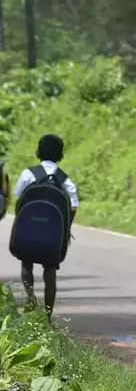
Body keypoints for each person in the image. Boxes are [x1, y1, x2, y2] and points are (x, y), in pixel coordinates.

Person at [14, 134, 79, 318]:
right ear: (61, 155)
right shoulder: (65, 180)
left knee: (26, 263)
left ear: (38, 152)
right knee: (50, 270)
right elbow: (73, 207)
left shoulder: (29, 174)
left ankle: (29, 296)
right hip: (54, 233)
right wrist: (65, 230)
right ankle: (48, 315)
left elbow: (19, 199)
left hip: (29, 228)